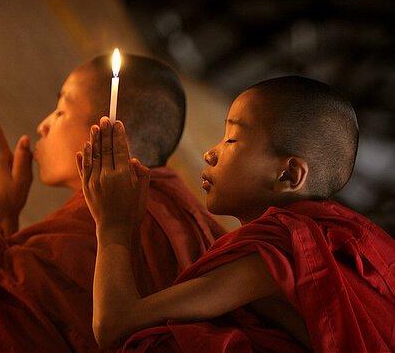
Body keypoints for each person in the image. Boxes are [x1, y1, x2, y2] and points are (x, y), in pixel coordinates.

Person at [0, 54, 227, 352]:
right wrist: (4, 214)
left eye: (61, 110)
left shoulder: (98, 222)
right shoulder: (191, 217)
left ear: (111, 134)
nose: (43, 124)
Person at [79, 76, 395, 352]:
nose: (210, 153)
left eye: (232, 139)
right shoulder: (304, 244)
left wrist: (113, 225)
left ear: (288, 175)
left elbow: (116, 324)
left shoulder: (273, 259)